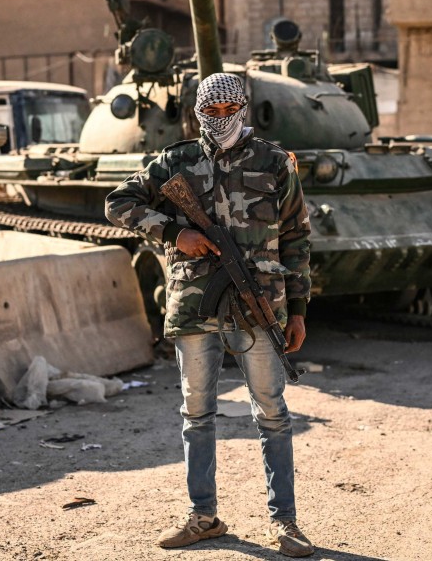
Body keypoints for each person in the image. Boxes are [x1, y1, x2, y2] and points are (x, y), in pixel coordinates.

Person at [105, 72, 314, 557]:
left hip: (260, 306)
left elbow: (298, 238)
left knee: (273, 414)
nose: (221, 119)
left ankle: (285, 523)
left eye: (230, 109)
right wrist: (173, 233)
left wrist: (299, 310)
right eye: (212, 111)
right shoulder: (176, 161)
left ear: (244, 107)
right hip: (194, 303)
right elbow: (119, 203)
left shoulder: (275, 163)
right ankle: (203, 517)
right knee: (197, 414)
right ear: (199, 111)